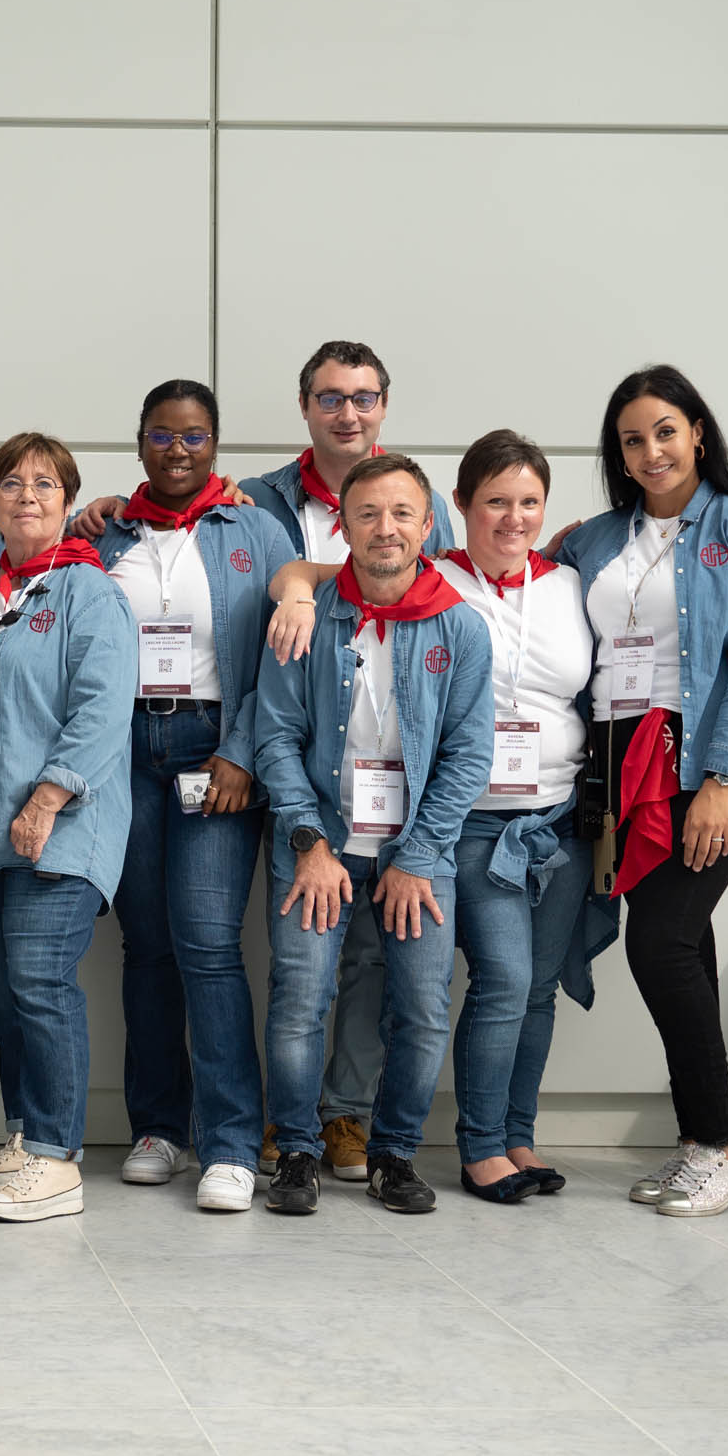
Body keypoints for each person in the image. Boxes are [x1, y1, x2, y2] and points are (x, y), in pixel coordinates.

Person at [560, 365, 728, 1218]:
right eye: (632, 439)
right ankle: (701, 1139)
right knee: (683, 948)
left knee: (659, 945)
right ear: (617, 455)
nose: (651, 451)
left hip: (702, 766)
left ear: (697, 432)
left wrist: (722, 781)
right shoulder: (593, 541)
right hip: (618, 765)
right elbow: (508, 578)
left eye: (665, 431)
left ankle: (722, 1145)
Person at [234, 340, 454, 1181]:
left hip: (401, 812)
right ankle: (289, 1127)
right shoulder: (258, 499)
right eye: (330, 397)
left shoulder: (415, 504)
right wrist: (299, 586)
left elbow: (426, 582)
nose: (347, 412)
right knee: (301, 981)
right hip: (304, 776)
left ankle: (346, 1120)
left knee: (373, 974)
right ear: (305, 406)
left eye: (363, 397)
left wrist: (303, 577)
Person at [255, 453, 492, 1216]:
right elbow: (275, 738)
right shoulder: (307, 620)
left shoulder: (461, 627)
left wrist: (418, 856)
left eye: (401, 513)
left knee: (420, 1006)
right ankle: (297, 1150)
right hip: (318, 843)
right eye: (367, 513)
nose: (384, 528)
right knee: (300, 997)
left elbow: (469, 754)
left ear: (427, 526)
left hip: (416, 850)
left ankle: (393, 1153)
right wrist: (309, 843)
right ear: (345, 526)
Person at [0, 433, 137, 1220]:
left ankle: (57, 1158)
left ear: (69, 502)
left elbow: (102, 710)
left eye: (46, 484)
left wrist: (46, 801)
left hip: (57, 825)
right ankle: (24, 1134)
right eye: (11, 484)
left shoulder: (90, 591)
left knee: (43, 983)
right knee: (11, 993)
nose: (27, 496)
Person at [94, 381, 291, 1208]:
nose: (178, 450)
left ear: (216, 442)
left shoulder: (255, 528)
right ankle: (158, 1128)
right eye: (162, 435)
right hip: (124, 751)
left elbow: (286, 656)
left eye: (195, 436)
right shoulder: (105, 533)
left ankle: (232, 1143)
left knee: (209, 943)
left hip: (214, 750)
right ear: (140, 440)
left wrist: (243, 752)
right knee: (146, 946)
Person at [432, 432, 597, 1201]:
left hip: (559, 820)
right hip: (474, 822)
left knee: (538, 987)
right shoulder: (431, 581)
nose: (513, 517)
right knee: (503, 977)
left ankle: (518, 1136)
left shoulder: (569, 584)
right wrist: (299, 583)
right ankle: (479, 1148)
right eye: (496, 501)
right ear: (462, 503)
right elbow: (332, 578)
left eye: (529, 502)